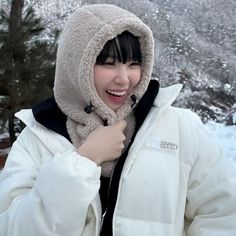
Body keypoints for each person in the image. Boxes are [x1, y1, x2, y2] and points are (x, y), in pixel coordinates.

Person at [0, 3, 235, 236]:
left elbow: (223, 214)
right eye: (107, 63)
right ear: (76, 66)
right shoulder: (37, 137)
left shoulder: (179, 127)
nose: (124, 79)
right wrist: (84, 161)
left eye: (133, 64)